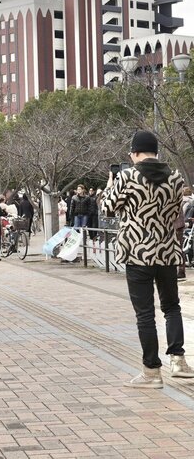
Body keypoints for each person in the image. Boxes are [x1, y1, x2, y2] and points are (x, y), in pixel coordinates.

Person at [101, 130, 194, 388]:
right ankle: (179, 362)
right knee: (171, 307)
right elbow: (177, 210)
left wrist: (111, 182)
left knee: (145, 315)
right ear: (156, 152)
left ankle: (152, 372)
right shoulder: (175, 178)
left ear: (134, 153)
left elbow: (107, 207)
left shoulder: (127, 176)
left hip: (137, 252)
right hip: (166, 251)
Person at [175, 186, 192, 280]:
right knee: (179, 249)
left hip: (176, 226)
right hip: (179, 225)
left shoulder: (181, 200)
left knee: (177, 249)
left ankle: (180, 271)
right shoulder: (181, 200)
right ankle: (181, 271)